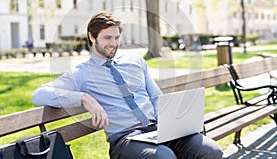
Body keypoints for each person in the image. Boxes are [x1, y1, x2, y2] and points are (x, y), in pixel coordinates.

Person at [32, 11, 223, 159]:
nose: (113, 44)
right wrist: (83, 97)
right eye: (107, 38)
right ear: (92, 37)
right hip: (125, 140)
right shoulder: (82, 73)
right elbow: (39, 94)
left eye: (116, 38)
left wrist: (174, 123)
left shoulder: (135, 61)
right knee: (164, 157)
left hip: (157, 130)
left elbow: (155, 96)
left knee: (210, 150)